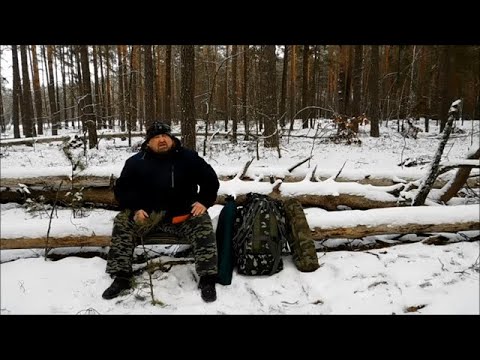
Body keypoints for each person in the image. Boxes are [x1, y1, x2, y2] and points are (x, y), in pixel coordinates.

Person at [102, 121, 220, 303]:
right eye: (156, 137)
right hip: (147, 219)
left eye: (165, 135)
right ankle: (122, 277)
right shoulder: (135, 163)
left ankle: (207, 278)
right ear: (148, 142)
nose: (162, 140)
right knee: (122, 222)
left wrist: (204, 201)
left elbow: (210, 180)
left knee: (202, 222)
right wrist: (135, 210)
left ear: (172, 139)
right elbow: (122, 191)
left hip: (182, 218)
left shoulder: (188, 158)